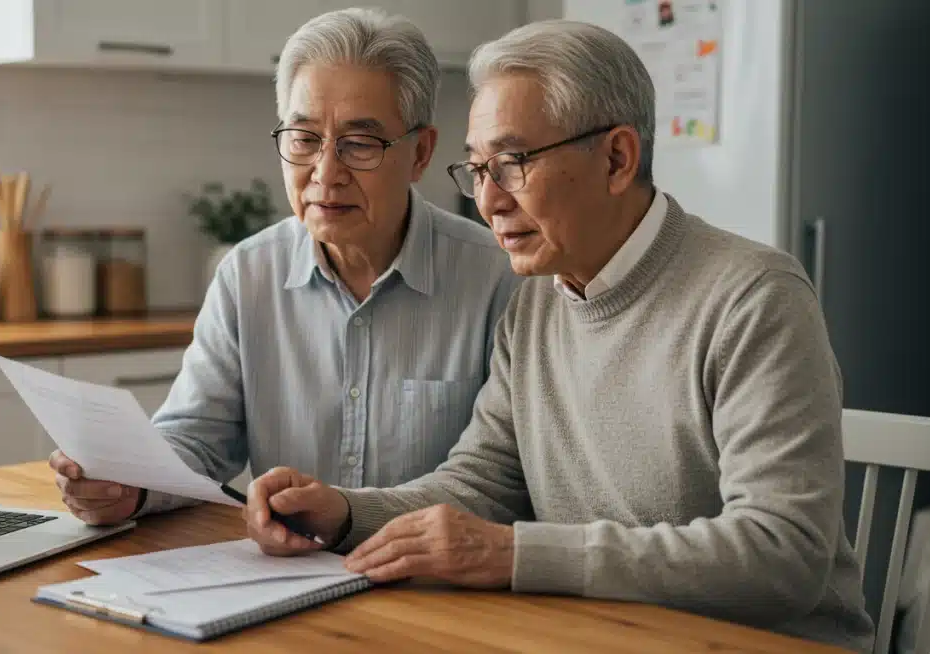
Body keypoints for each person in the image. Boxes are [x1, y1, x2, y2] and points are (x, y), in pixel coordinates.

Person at [242, 19, 875, 652]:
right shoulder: (537, 303)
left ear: (617, 158)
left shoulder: (753, 297)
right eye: (478, 168)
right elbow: (482, 485)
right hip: (604, 636)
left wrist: (519, 554)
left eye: (514, 163)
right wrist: (346, 512)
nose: (488, 200)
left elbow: (783, 553)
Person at [48, 8, 519, 526]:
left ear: (421, 153)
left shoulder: (500, 281)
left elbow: (499, 483)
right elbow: (197, 437)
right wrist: (128, 484)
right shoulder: (247, 273)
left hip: (438, 592)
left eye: (359, 144)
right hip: (285, 580)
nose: (325, 173)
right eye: (303, 139)